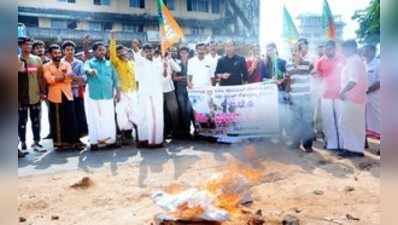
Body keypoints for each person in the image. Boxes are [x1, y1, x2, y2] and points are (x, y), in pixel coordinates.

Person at [43, 44, 84, 150]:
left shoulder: (66, 64)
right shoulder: (46, 66)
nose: (57, 55)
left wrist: (57, 77)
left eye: (59, 53)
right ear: (50, 54)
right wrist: (62, 77)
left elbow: (69, 79)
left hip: (67, 94)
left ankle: (75, 141)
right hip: (54, 95)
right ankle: (60, 143)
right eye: (55, 53)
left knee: (71, 118)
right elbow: (49, 80)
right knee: (57, 120)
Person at [84, 42, 120, 150]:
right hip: (93, 95)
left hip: (108, 95)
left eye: (103, 50)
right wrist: (90, 71)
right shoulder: (89, 62)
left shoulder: (110, 64)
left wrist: (118, 92)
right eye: (99, 50)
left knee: (109, 118)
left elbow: (115, 79)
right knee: (94, 118)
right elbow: (85, 69)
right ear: (94, 51)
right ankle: (94, 143)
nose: (102, 52)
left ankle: (110, 141)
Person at [338, 40, 368, 158]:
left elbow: (353, 80)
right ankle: (355, 149)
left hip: (352, 98)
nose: (343, 51)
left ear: (351, 48)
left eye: (344, 49)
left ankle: (351, 149)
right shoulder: (354, 60)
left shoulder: (354, 61)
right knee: (355, 124)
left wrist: (342, 91)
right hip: (356, 98)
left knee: (346, 123)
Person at [18, 37, 46, 157]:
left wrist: (42, 91)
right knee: (22, 121)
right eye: (25, 45)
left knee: (36, 120)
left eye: (30, 45)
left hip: (35, 95)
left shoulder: (37, 59)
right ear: (20, 46)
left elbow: (40, 77)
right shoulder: (15, 60)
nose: (28, 47)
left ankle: (36, 142)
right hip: (21, 96)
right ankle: (23, 143)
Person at [315, 40, 345, 151]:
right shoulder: (319, 61)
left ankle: (342, 144)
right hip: (325, 95)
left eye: (330, 48)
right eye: (326, 48)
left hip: (340, 94)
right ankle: (332, 144)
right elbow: (318, 78)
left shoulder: (342, 58)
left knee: (340, 120)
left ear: (334, 48)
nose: (328, 50)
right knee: (328, 120)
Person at [109, 31, 138, 145]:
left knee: (133, 112)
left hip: (133, 92)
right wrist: (113, 40)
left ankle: (132, 133)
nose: (123, 53)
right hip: (121, 91)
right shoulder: (116, 62)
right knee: (121, 113)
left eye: (124, 51)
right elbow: (112, 54)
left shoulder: (131, 63)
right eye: (119, 52)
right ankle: (124, 135)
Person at [135, 44, 166, 148]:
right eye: (146, 50)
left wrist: (165, 66)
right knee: (143, 116)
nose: (148, 52)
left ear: (153, 51)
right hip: (144, 93)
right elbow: (137, 76)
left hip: (156, 92)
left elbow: (164, 77)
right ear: (143, 52)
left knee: (157, 116)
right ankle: (143, 139)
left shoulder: (159, 62)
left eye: (150, 50)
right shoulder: (140, 62)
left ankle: (156, 141)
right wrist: (138, 50)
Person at [286, 42, 315, 152]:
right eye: (292, 51)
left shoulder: (308, 63)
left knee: (307, 121)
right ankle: (295, 143)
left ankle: (308, 145)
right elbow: (289, 80)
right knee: (295, 122)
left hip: (306, 97)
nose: (294, 53)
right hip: (294, 97)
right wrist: (288, 93)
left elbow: (315, 76)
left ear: (300, 51)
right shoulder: (288, 65)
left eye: (296, 51)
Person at [61, 41, 88, 142]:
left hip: (77, 92)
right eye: (67, 50)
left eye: (72, 49)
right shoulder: (60, 63)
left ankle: (78, 138)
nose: (70, 52)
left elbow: (84, 78)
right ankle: (67, 139)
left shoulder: (79, 63)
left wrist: (75, 77)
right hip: (64, 93)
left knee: (78, 114)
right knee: (67, 116)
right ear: (63, 51)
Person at [263, 43, 289, 140]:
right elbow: (262, 79)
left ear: (275, 49)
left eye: (271, 49)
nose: (269, 52)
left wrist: (282, 80)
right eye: (268, 50)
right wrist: (271, 81)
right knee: (272, 114)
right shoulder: (264, 63)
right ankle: (275, 134)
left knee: (282, 114)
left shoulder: (282, 62)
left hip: (281, 91)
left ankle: (284, 134)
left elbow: (286, 76)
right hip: (269, 93)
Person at [173, 46, 194, 138]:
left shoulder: (192, 63)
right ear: (179, 53)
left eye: (185, 52)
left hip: (191, 89)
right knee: (182, 109)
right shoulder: (177, 64)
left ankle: (189, 130)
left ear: (188, 54)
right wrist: (185, 78)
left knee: (189, 110)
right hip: (180, 89)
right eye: (182, 52)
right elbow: (174, 78)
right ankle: (183, 131)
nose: (184, 54)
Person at [362, 45, 380, 142]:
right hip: (363, 97)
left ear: (373, 51)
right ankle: (364, 141)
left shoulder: (379, 63)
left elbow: (380, 82)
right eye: (364, 51)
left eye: (366, 51)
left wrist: (367, 90)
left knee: (378, 120)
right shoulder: (363, 64)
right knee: (363, 119)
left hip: (375, 97)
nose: (364, 53)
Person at [162, 51, 181, 138]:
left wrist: (170, 59)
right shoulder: (154, 61)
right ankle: (164, 131)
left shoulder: (169, 61)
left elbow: (178, 69)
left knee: (174, 110)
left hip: (169, 90)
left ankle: (176, 130)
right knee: (161, 112)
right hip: (158, 91)